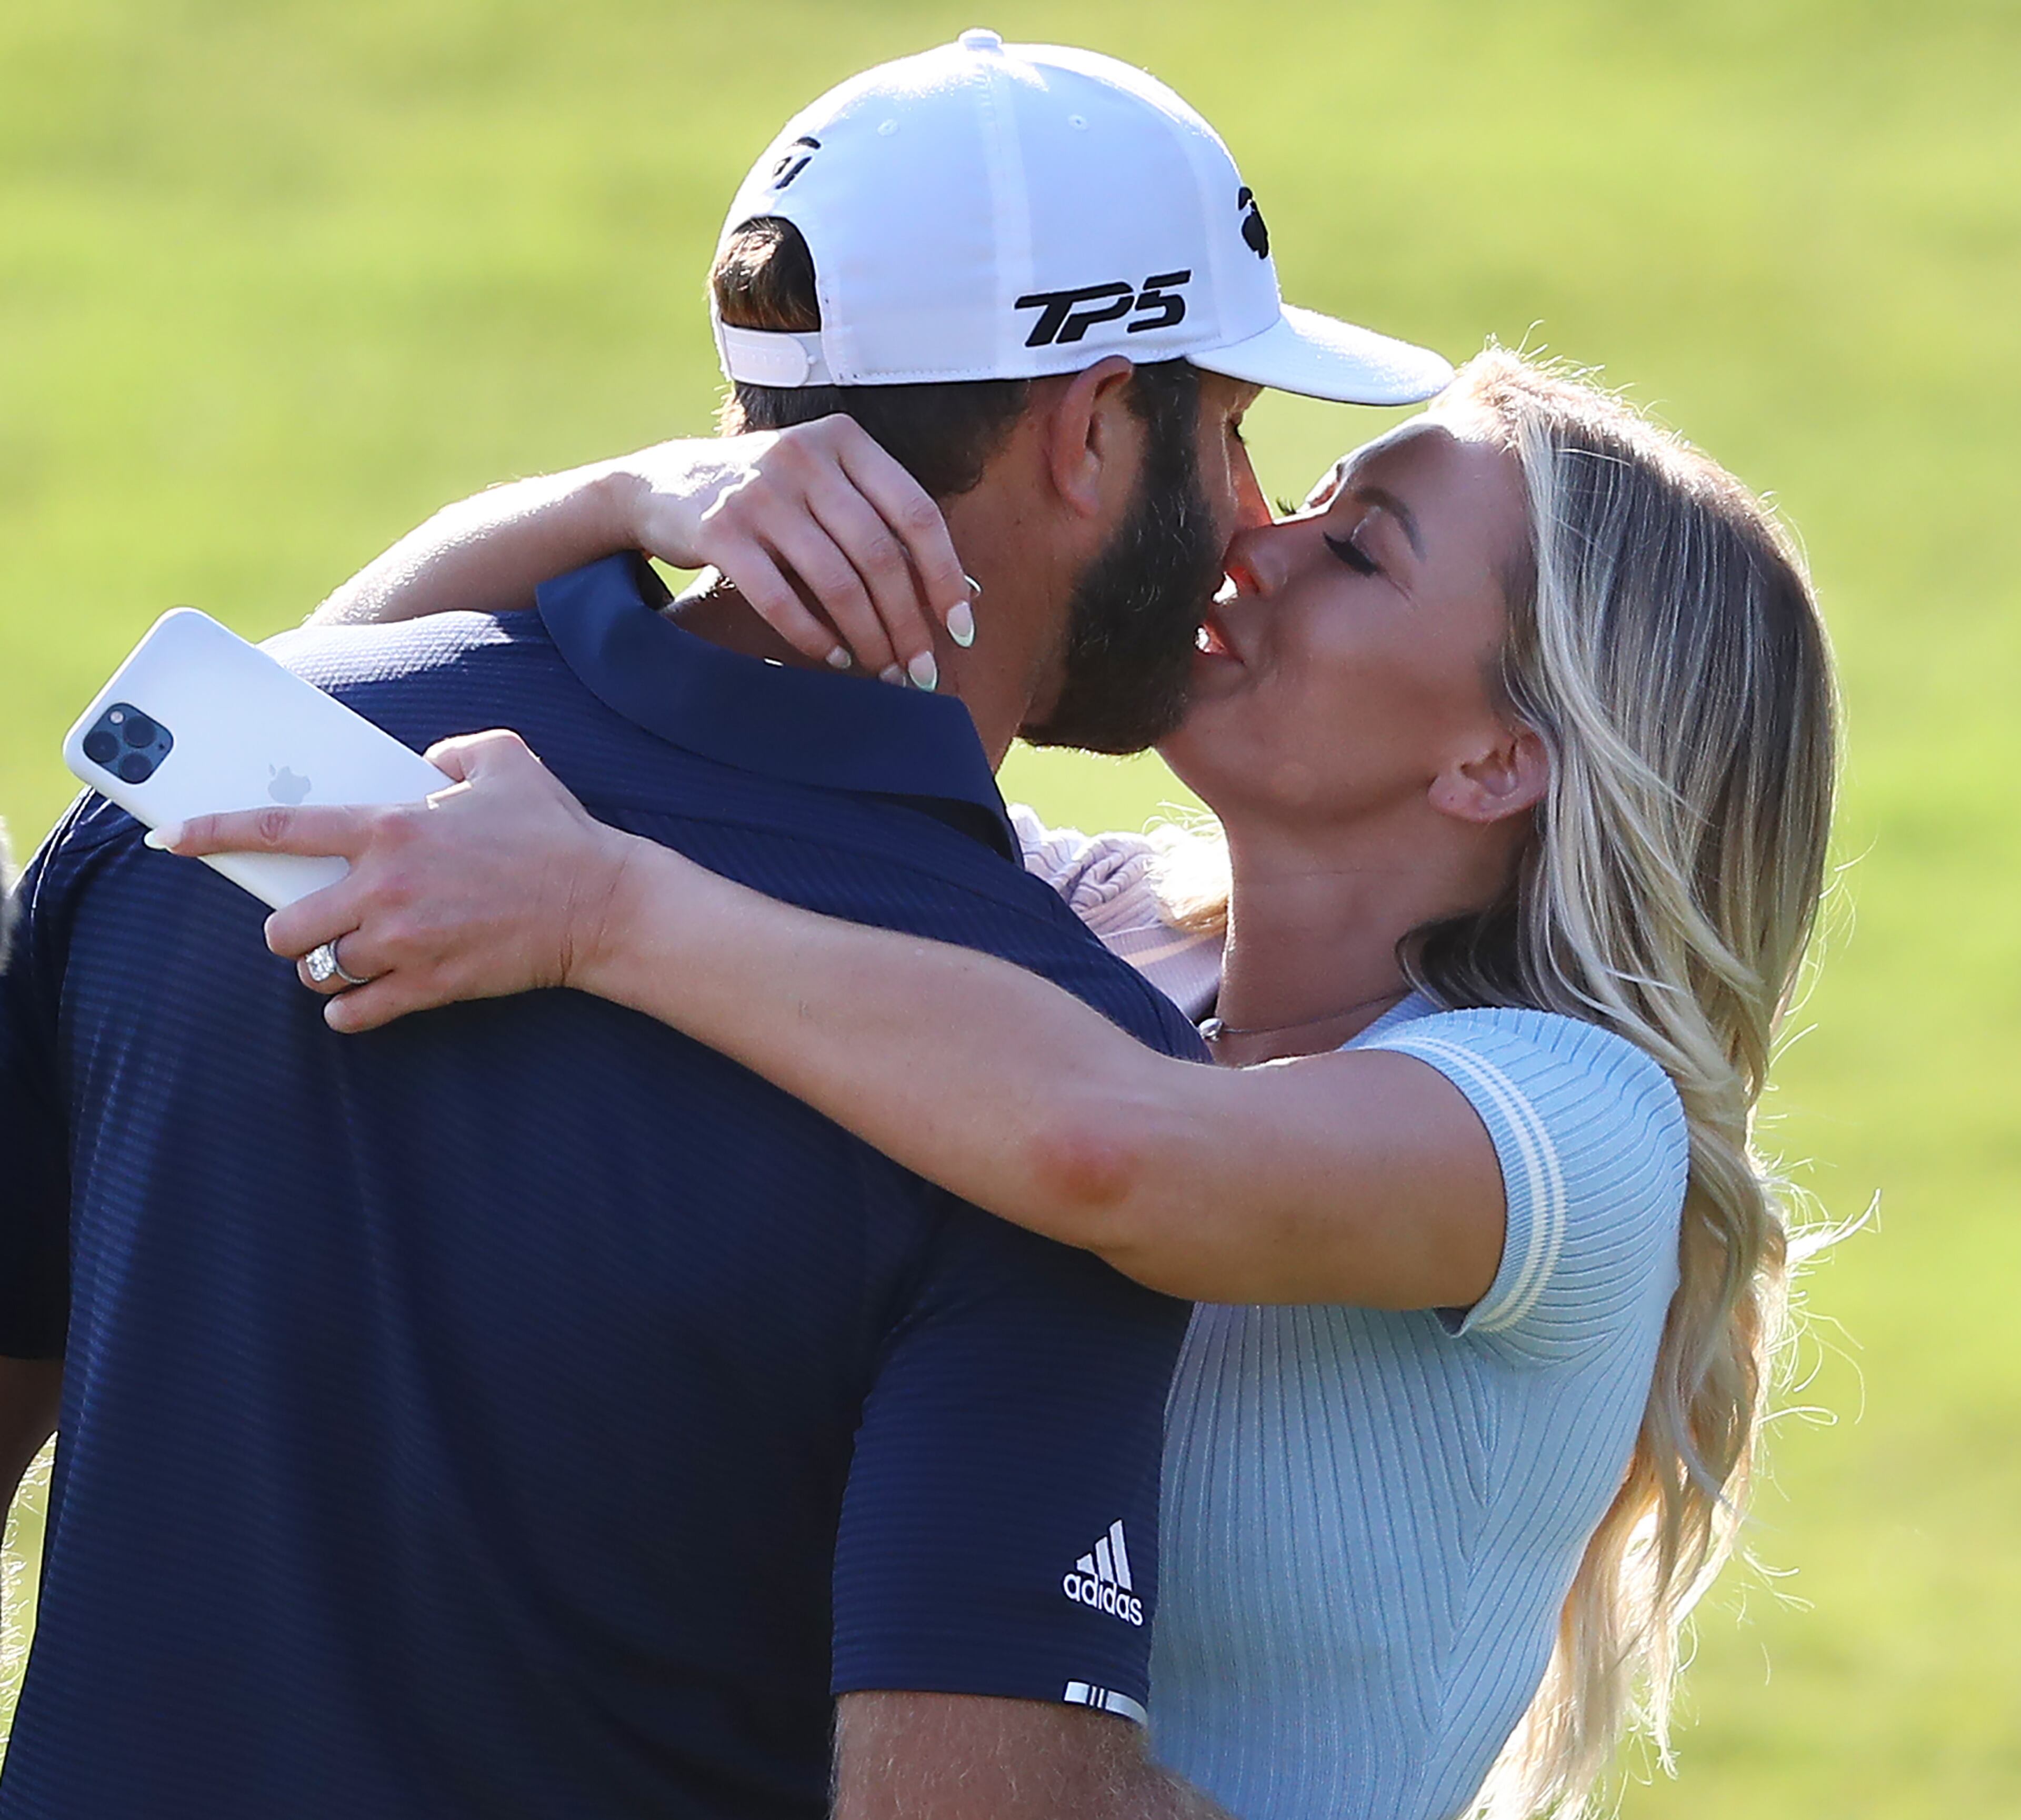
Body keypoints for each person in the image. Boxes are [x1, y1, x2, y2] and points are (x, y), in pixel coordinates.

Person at [0, 34, 1453, 1820]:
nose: (1246, 521)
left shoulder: (206, 789)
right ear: (1089, 430)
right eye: (1227, 433)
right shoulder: (1021, 1072)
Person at [172, 347, 1840, 1820]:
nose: (1248, 542)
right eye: (1309, 492)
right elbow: (325, 703)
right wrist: (633, 498)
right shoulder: (1092, 935)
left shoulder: (1569, 1121)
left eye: (1356, 548)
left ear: (1498, 758)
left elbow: (1118, 1152)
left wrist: (605, 907)